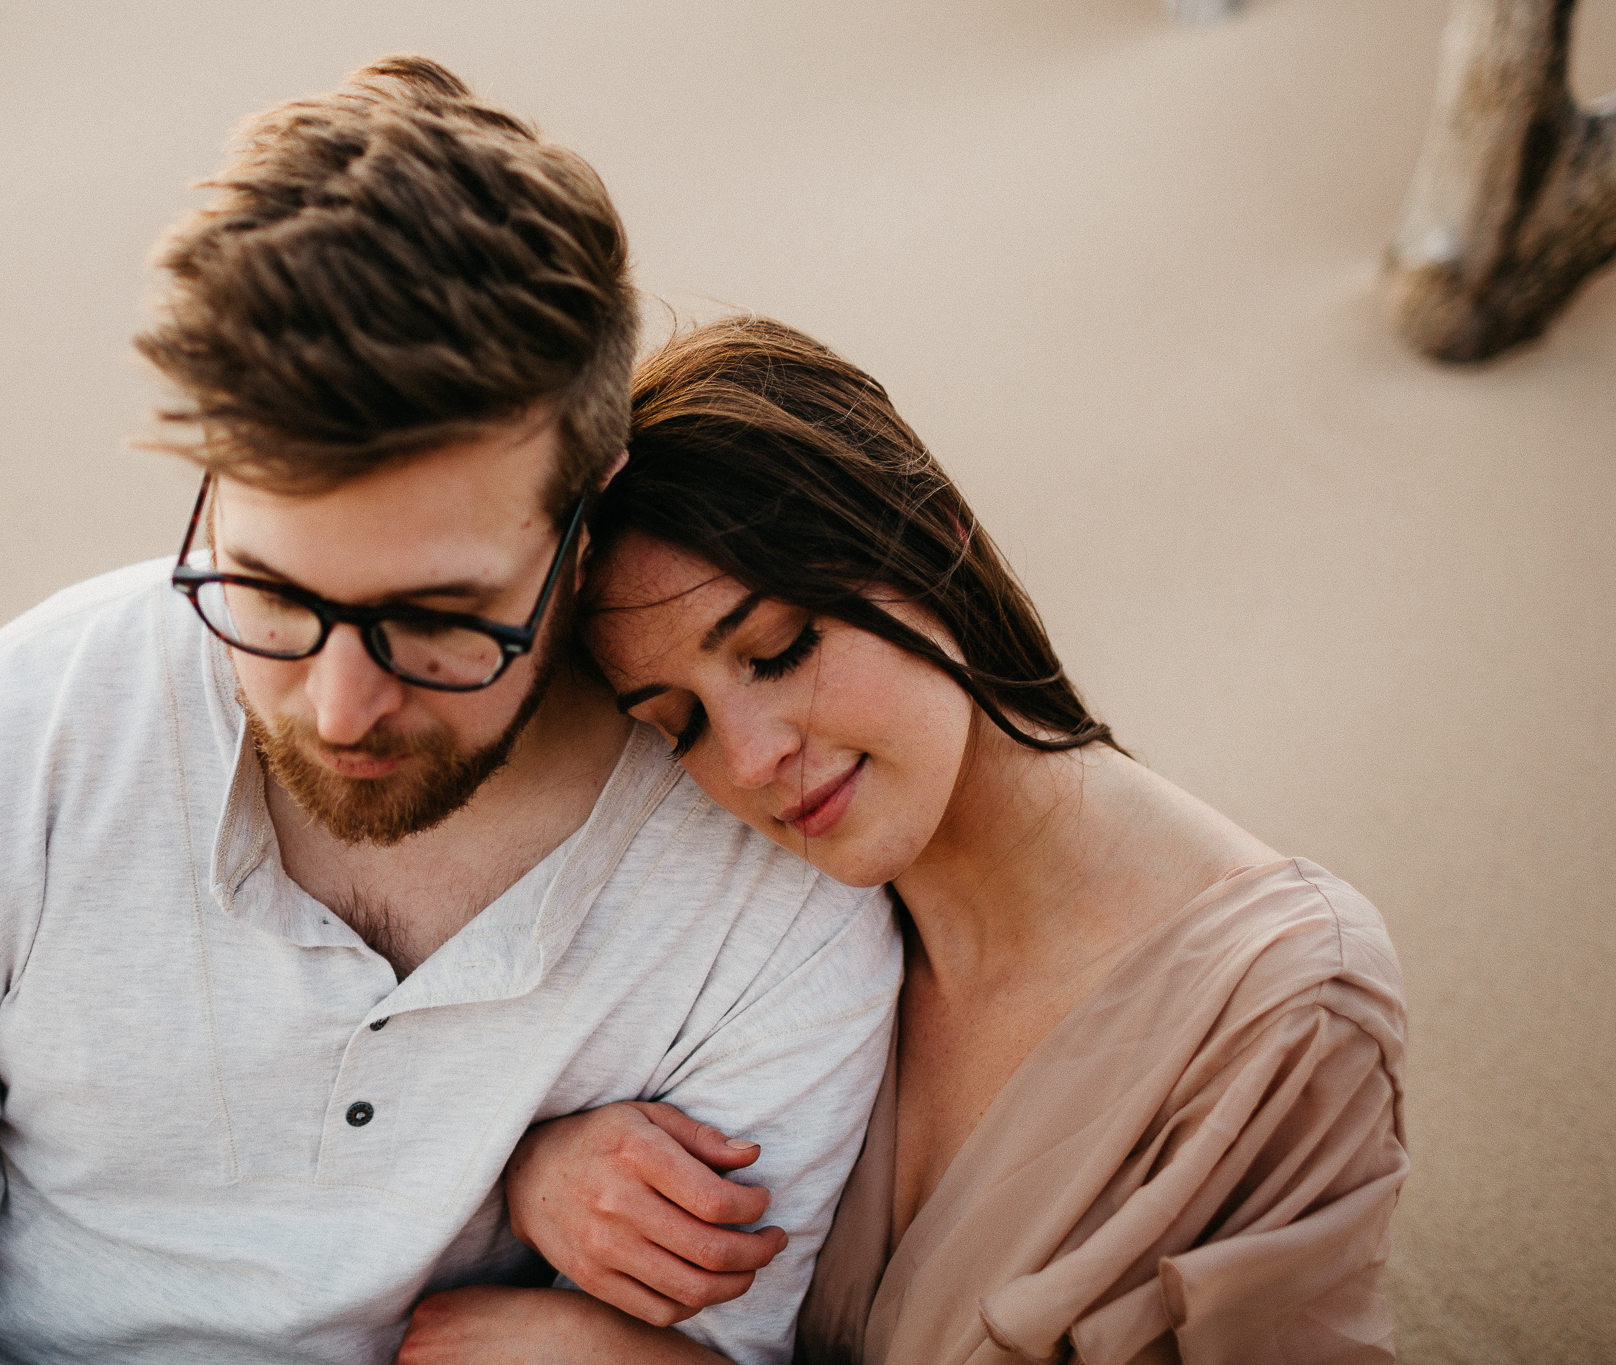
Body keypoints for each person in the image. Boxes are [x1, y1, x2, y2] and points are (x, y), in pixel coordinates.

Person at [0, 65, 900, 1365]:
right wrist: (506, 1182)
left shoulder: (772, 902)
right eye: (267, 588)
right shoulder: (6, 759)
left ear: (586, 522)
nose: (340, 705)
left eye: (437, 613)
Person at [398, 318, 1409, 1365]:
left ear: (930, 533)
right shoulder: (767, 925)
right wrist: (533, 1172)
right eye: (678, 724)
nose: (745, 761)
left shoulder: (1287, 1009)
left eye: (780, 649)